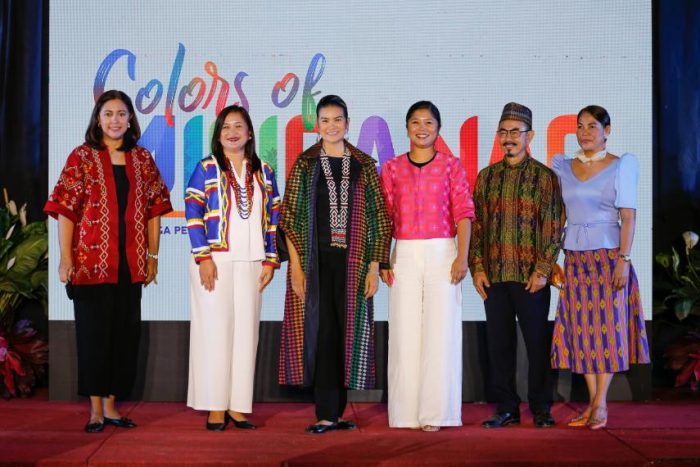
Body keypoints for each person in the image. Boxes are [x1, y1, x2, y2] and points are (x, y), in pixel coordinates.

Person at [44, 90, 172, 433]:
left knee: (124, 336)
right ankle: (96, 410)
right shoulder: (81, 157)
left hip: (131, 266)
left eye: (121, 114)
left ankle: (113, 407)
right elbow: (66, 212)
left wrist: (153, 256)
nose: (115, 120)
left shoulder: (143, 159)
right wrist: (65, 258)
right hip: (89, 266)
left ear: (130, 119)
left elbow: (156, 210)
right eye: (108, 114)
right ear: (97, 119)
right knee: (94, 337)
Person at [278, 95, 392, 434]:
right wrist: (296, 269)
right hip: (315, 264)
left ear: (347, 122)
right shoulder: (306, 163)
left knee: (348, 333)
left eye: (337, 119)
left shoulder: (364, 165)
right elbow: (289, 218)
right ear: (317, 124)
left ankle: (338, 412)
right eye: (325, 120)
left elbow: (379, 218)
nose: (331, 126)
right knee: (322, 333)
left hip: (354, 264)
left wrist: (374, 266)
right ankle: (326, 413)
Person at [550, 105, 650, 430]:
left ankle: (601, 403)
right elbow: (561, 216)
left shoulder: (622, 165)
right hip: (576, 258)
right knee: (582, 330)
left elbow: (629, 217)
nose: (585, 132)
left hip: (608, 257)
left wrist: (624, 259)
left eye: (593, 126)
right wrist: (553, 259)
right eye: (580, 126)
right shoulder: (564, 166)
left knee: (607, 330)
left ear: (607, 130)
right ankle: (593, 402)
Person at [380, 101, 474, 432]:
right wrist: (381, 259)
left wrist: (462, 257)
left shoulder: (452, 166)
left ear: (438, 128)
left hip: (442, 252)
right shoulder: (392, 168)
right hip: (403, 252)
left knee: (441, 331)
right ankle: (405, 413)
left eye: (429, 122)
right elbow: (385, 218)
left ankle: (437, 413)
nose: (422, 128)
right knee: (404, 330)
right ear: (407, 128)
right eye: (416, 122)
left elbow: (464, 213)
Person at [185, 104, 280, 431]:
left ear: (249, 133)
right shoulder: (206, 168)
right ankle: (215, 405)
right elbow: (193, 213)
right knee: (214, 332)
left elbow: (273, 219)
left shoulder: (264, 171)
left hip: (252, 262)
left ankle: (238, 406)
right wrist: (204, 258)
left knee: (246, 334)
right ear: (218, 135)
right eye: (226, 127)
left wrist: (270, 259)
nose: (232, 132)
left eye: (239, 126)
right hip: (216, 261)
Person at [469, 102, 563, 429]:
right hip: (494, 276)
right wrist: (477, 268)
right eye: (504, 132)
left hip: (530, 278)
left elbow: (553, 226)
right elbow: (476, 227)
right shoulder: (487, 178)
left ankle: (541, 408)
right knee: (500, 346)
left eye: (516, 132)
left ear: (529, 135)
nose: (509, 138)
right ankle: (507, 407)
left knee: (537, 345)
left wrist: (543, 269)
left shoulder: (544, 177)